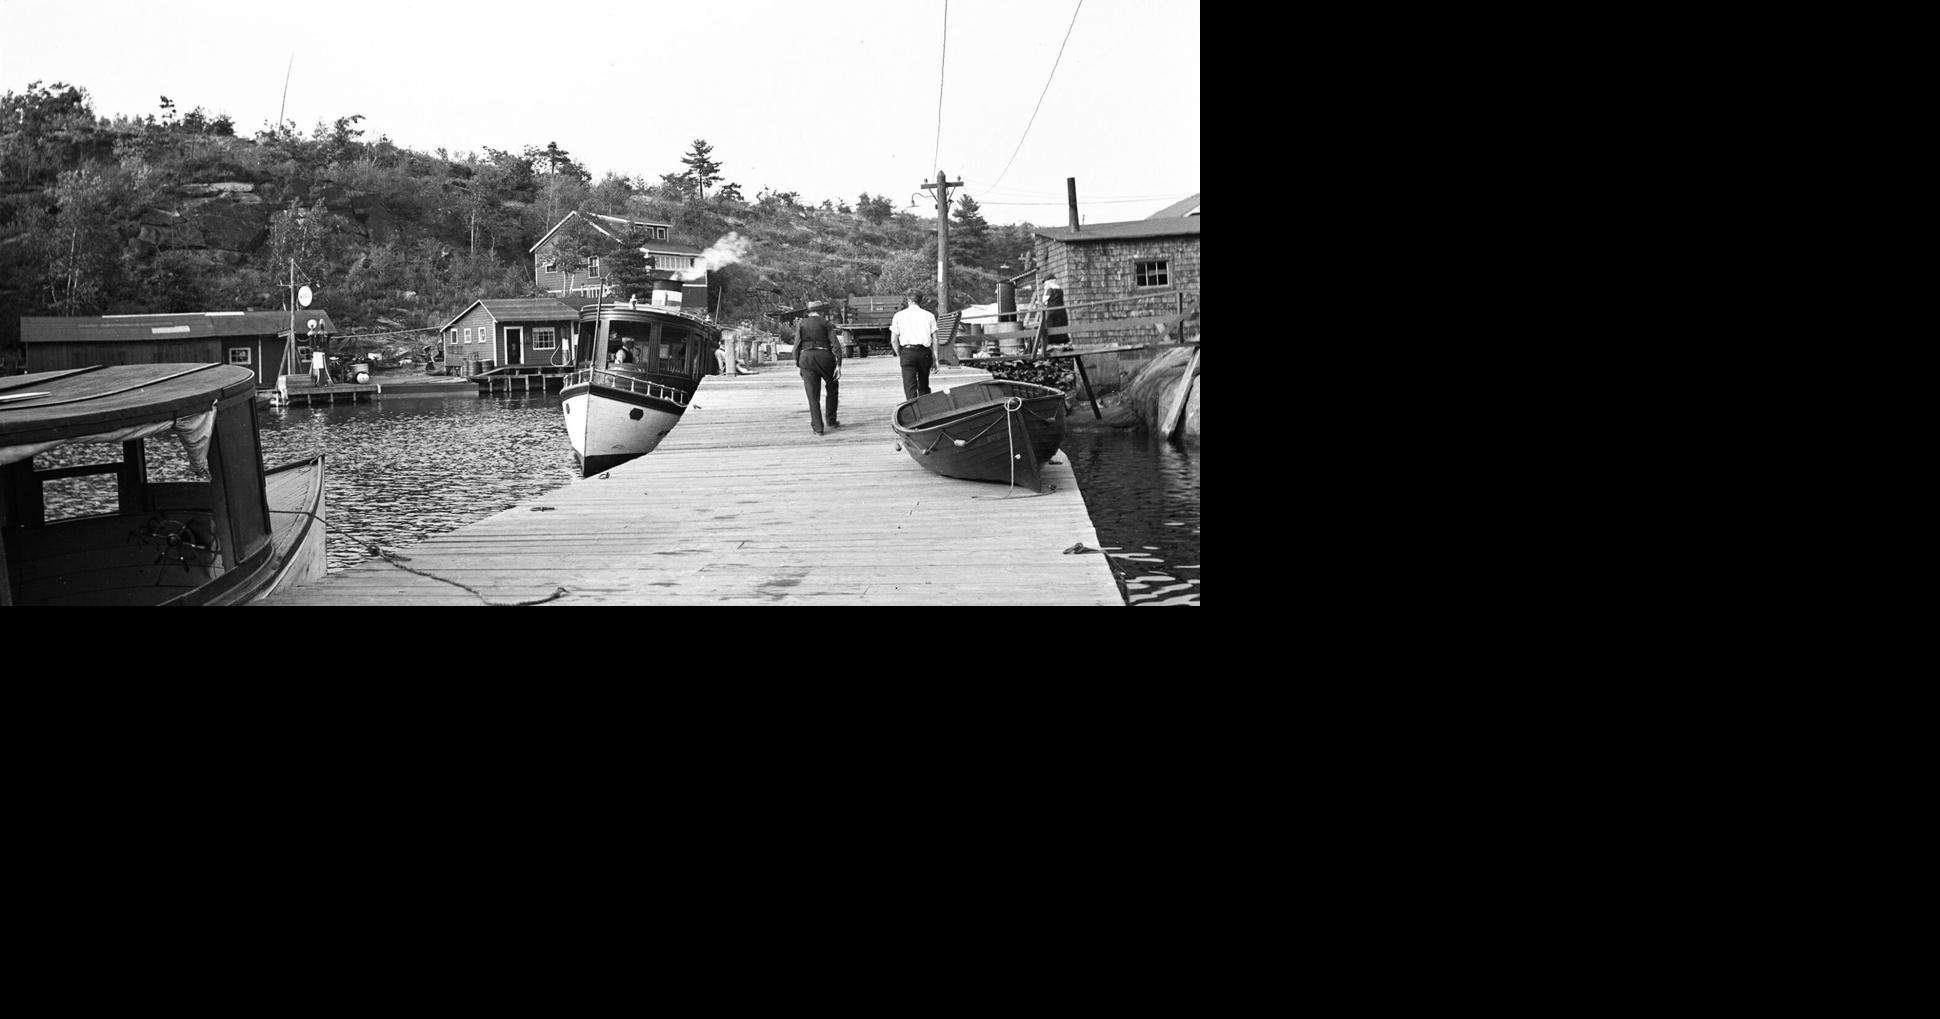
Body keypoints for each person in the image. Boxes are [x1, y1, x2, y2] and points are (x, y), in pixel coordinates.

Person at [795, 302, 842, 435]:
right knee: (832, 387)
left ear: (808, 312)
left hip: (806, 358)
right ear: (821, 312)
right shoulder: (826, 323)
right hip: (825, 357)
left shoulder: (801, 324)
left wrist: (798, 363)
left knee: (812, 395)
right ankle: (831, 420)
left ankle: (818, 428)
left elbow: (796, 346)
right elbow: (836, 345)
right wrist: (838, 364)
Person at [889, 290, 938, 400]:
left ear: (908, 300)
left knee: (909, 386)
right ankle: (926, 410)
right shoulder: (929, 316)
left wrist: (900, 355)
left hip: (907, 352)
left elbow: (893, 340)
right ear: (921, 300)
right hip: (924, 353)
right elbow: (935, 338)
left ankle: (913, 411)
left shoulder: (898, 315)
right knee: (924, 385)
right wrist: (935, 358)